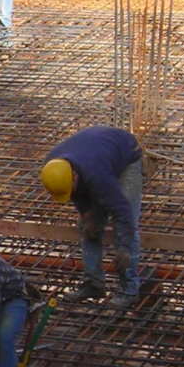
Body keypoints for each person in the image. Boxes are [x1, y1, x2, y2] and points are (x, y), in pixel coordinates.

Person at [40, 125, 145, 308]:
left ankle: (129, 289)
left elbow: (122, 212)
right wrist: (87, 214)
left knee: (127, 227)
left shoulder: (97, 175)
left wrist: (125, 249)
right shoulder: (53, 168)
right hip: (96, 154)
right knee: (88, 227)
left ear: (74, 176)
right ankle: (93, 285)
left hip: (126, 156)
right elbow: (74, 192)